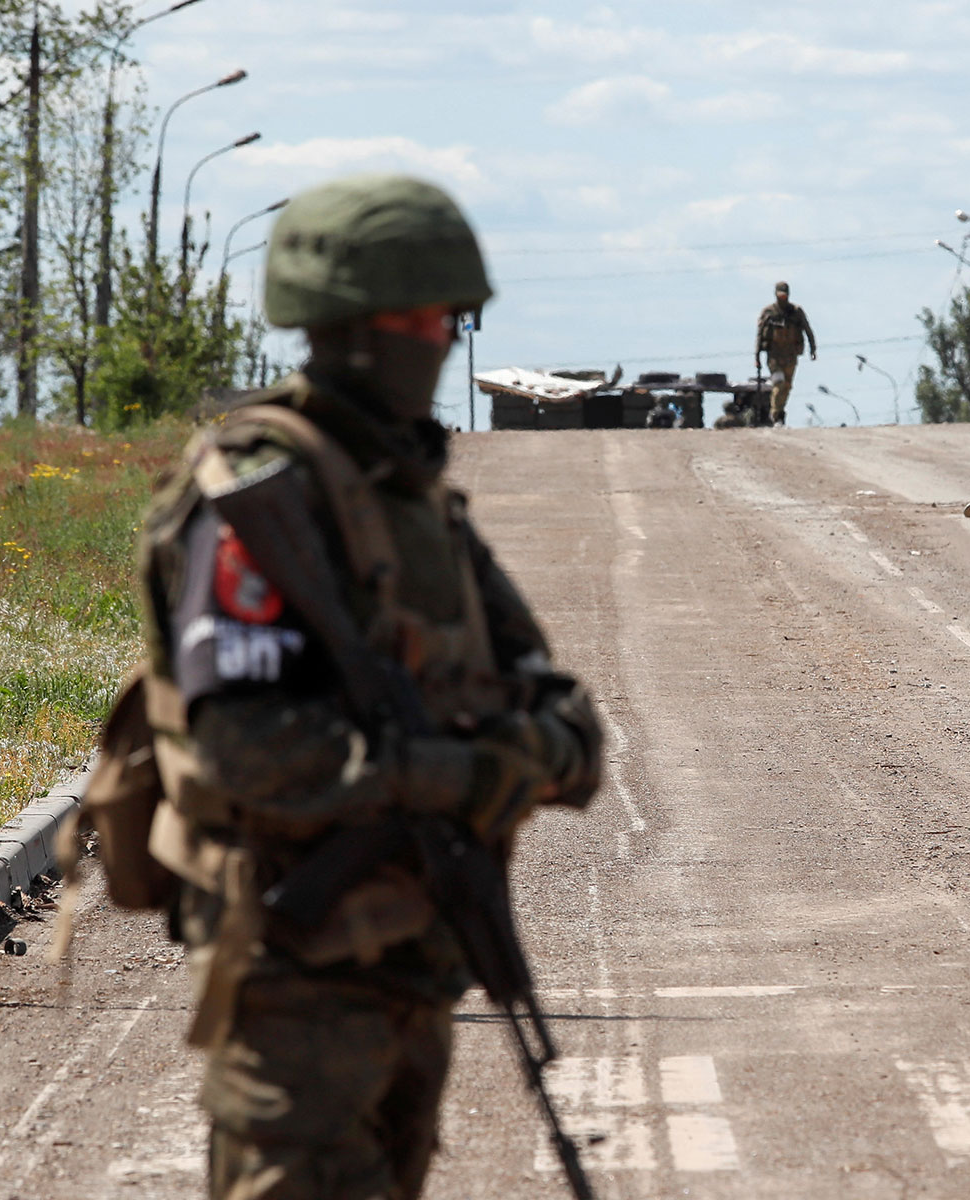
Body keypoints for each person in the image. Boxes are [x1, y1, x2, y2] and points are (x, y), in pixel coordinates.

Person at [135, 174, 603, 1199]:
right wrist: (456, 774)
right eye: (428, 319)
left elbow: (550, 701)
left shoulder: (410, 495)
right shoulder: (258, 498)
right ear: (356, 327)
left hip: (415, 962)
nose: (443, 341)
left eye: (450, 319)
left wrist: (536, 752)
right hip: (294, 980)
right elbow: (246, 748)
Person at [755, 281, 816, 425]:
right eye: (780, 295)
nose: (782, 298)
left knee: (787, 386)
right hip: (774, 356)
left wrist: (813, 349)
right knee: (779, 383)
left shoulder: (796, 311)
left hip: (790, 356)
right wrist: (756, 356)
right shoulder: (768, 312)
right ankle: (776, 414)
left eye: (784, 295)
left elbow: (807, 330)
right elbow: (759, 335)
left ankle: (780, 412)